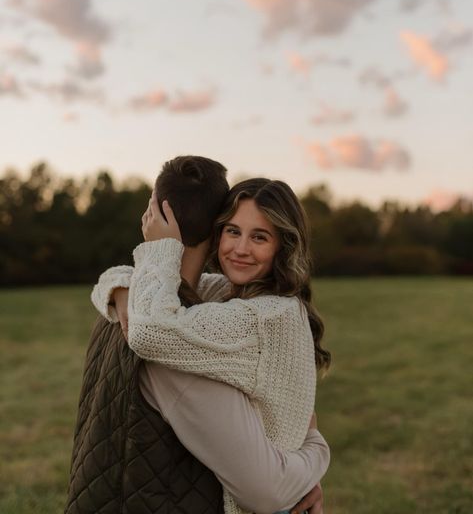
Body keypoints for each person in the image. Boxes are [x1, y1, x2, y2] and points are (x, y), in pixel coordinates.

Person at [66, 157, 328, 514]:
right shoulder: (223, 293)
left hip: (276, 493)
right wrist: (120, 288)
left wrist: (315, 455)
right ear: (216, 232)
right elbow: (120, 281)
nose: (240, 248)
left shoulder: (265, 316)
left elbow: (151, 331)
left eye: (260, 237)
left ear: (283, 246)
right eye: (233, 231)